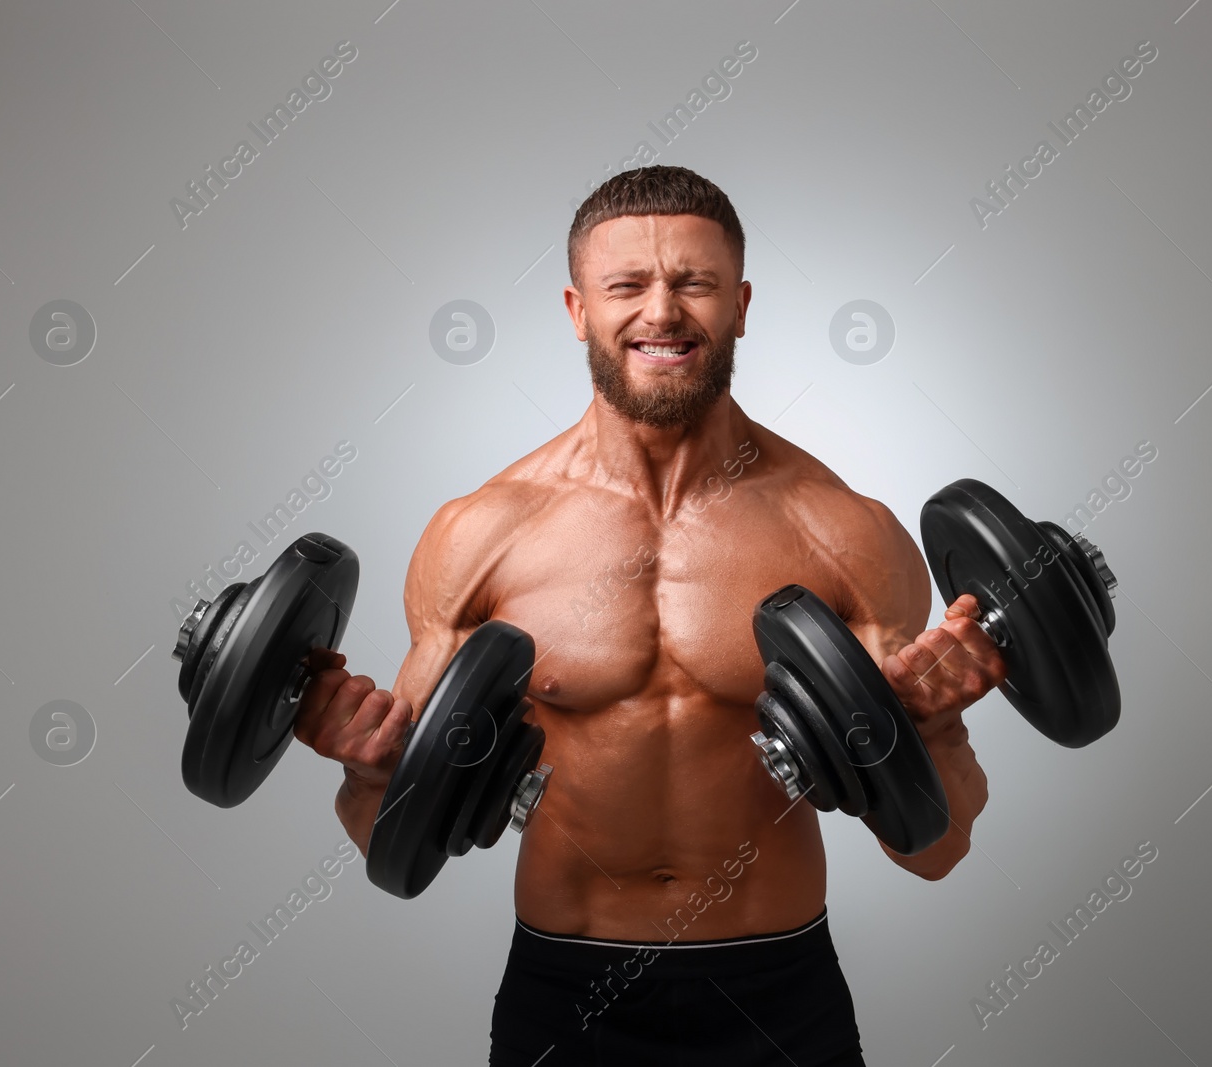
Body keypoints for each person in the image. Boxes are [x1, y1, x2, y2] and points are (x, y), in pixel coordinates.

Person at [292, 165, 1006, 1065]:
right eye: (626, 285)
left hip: (778, 990)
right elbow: (392, 835)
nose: (661, 312)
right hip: (566, 992)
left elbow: (937, 849)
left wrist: (936, 725)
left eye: (694, 283)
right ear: (576, 308)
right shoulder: (481, 534)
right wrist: (364, 772)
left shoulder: (844, 533)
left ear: (741, 304)